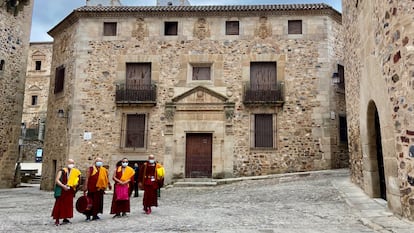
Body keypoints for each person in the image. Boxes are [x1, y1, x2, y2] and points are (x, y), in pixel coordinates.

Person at [51, 159, 81, 226]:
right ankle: (57, 219)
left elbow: (78, 180)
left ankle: (65, 218)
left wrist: (76, 184)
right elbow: (57, 180)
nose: (71, 164)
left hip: (70, 191)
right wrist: (63, 186)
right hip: (62, 190)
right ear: (67, 163)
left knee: (68, 205)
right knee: (59, 205)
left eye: (72, 163)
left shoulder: (75, 172)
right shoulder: (62, 171)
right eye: (70, 163)